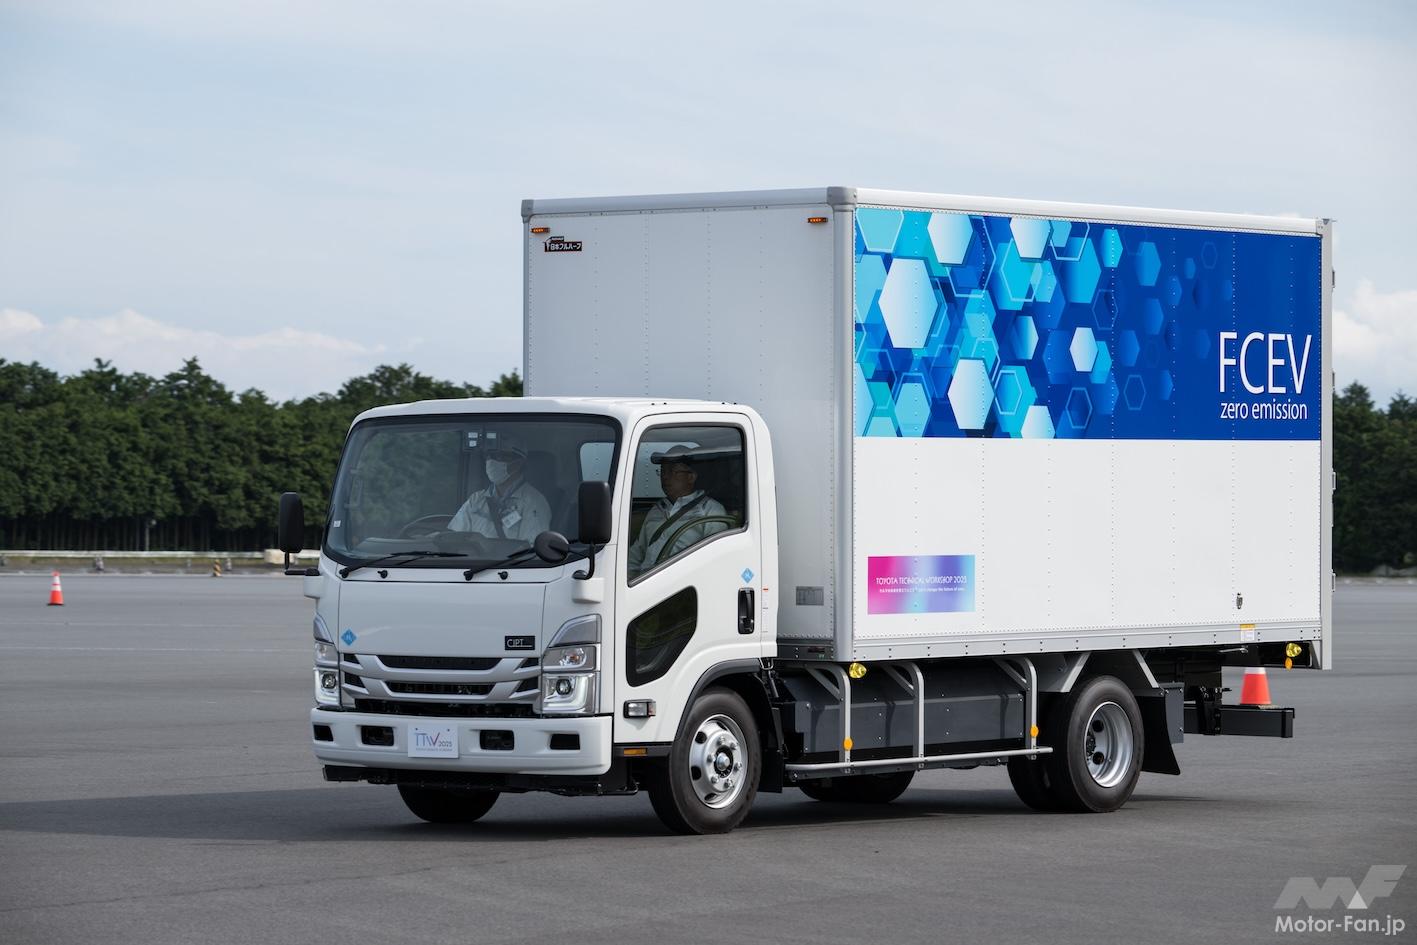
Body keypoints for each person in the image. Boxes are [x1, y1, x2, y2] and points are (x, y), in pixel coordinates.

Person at [627, 445, 728, 576]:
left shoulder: (711, 510)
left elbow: (714, 561)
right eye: (662, 471)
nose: (665, 477)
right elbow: (636, 555)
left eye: (672, 471)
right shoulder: (657, 509)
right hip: (645, 583)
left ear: (691, 477)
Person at [448, 436, 551, 542]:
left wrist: (486, 545)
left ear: (519, 463)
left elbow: (532, 548)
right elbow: (455, 538)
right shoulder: (476, 499)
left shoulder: (534, 502)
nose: (491, 461)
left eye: (500, 456)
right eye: (489, 456)